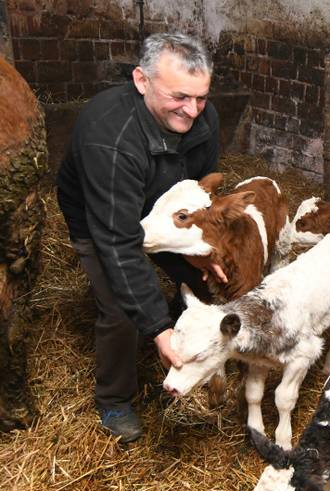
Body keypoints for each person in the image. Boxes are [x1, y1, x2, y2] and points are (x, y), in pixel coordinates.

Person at [56, 32, 220, 442]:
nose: (193, 110)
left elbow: (198, 190)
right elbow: (118, 243)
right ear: (141, 81)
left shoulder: (202, 115)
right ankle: (115, 399)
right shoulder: (110, 138)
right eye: (180, 97)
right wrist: (156, 326)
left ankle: (172, 332)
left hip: (161, 210)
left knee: (204, 277)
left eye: (201, 97)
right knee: (120, 309)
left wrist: (202, 248)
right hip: (103, 218)